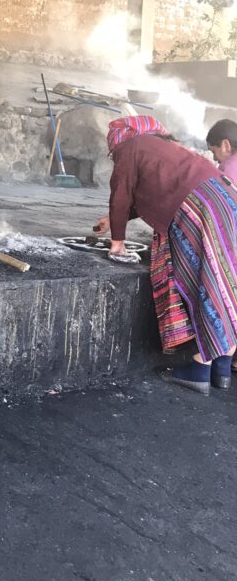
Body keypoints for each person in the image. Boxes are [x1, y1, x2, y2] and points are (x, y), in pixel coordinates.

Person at [94, 114, 237, 394]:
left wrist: (118, 242)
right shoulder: (165, 145)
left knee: (204, 278)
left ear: (118, 140)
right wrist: (113, 220)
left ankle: (200, 366)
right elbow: (157, 190)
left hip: (199, 206)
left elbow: (121, 194)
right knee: (224, 276)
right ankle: (222, 365)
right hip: (225, 197)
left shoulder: (129, 147)